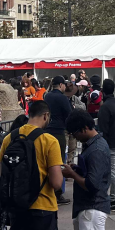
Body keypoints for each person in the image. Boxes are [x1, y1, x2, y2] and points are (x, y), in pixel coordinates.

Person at [0, 100, 63, 230]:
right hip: (43, 211)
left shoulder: (9, 138)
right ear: (46, 116)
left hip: (17, 211)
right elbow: (57, 183)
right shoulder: (49, 141)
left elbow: (3, 173)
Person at [63, 110, 110, 230]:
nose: (73, 137)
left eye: (74, 133)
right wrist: (78, 169)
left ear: (84, 128)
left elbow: (92, 184)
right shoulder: (92, 144)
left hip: (93, 207)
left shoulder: (97, 149)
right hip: (86, 208)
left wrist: (72, 174)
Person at [96, 78, 115, 211]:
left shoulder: (105, 107)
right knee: (114, 170)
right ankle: (113, 199)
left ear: (102, 91)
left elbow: (103, 128)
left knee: (112, 172)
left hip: (109, 143)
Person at [43, 76, 73, 205]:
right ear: (61, 85)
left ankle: (48, 188)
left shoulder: (47, 96)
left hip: (46, 130)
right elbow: (69, 114)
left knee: (47, 160)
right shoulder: (62, 98)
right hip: (58, 132)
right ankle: (58, 192)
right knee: (59, 161)